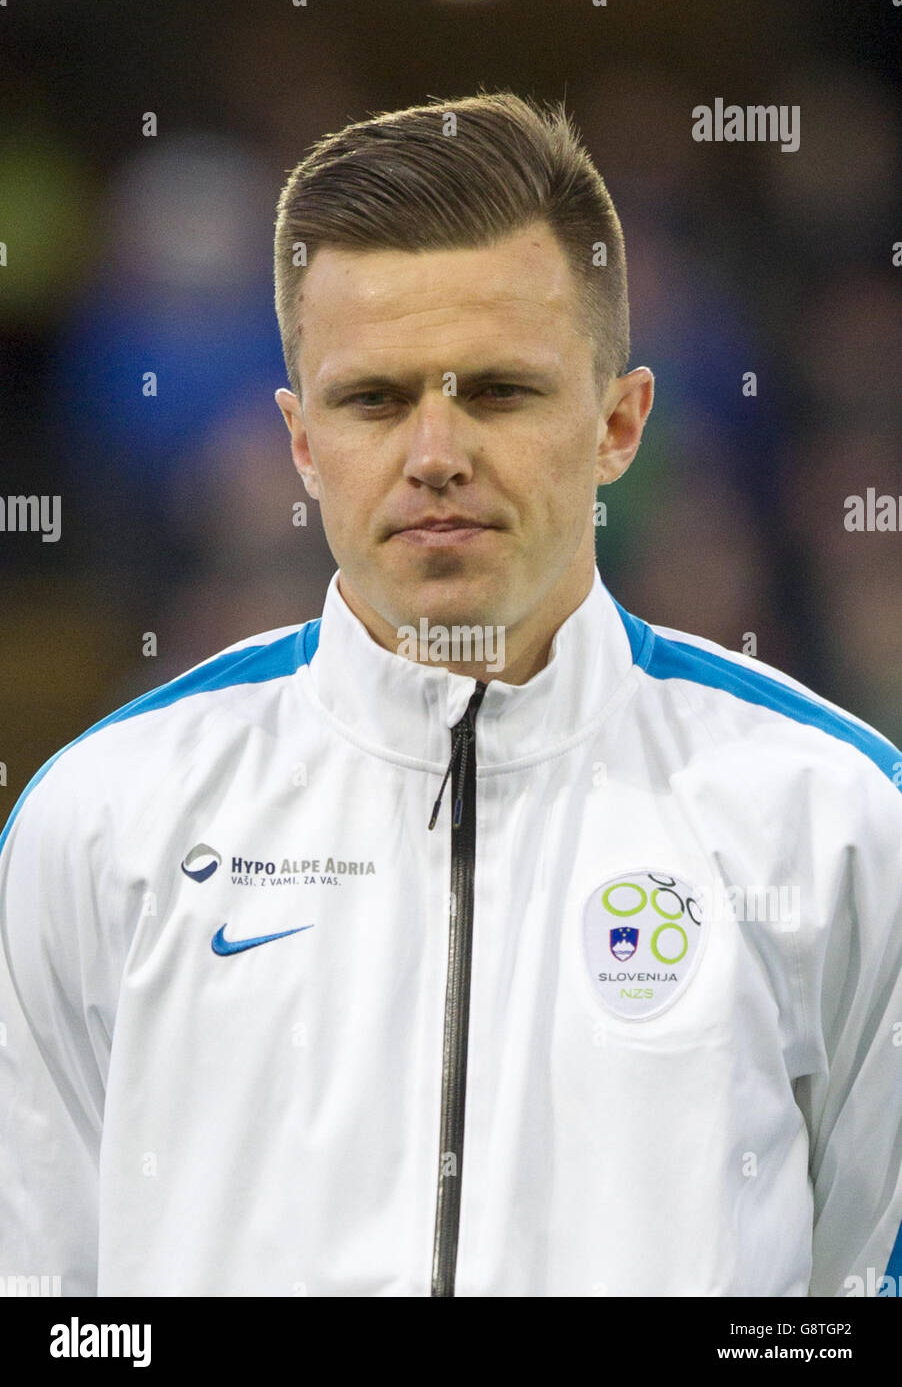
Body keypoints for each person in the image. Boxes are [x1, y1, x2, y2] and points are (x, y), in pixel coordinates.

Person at [1, 91, 900, 1299]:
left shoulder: (834, 818)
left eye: (498, 390)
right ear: (302, 442)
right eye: (372, 398)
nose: (434, 452)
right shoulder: (102, 821)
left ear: (618, 423)